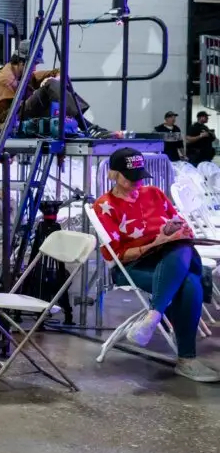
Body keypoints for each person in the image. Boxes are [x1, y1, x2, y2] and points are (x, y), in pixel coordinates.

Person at [93, 148, 218, 382]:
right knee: (189, 281)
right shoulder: (104, 206)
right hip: (133, 266)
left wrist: (173, 231)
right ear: (113, 175)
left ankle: (154, 315)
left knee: (181, 248)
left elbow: (183, 225)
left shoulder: (155, 194)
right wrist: (154, 244)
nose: (137, 184)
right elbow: (115, 257)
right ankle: (186, 359)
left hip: (170, 258)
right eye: (130, 179)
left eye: (140, 177)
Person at [0, 40, 60, 131]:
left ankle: (75, 117)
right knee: (48, 87)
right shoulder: (4, 80)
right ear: (21, 62)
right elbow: (3, 116)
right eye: (33, 64)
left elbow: (59, 72)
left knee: (53, 82)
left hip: (20, 115)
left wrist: (54, 78)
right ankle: (78, 118)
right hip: (7, 121)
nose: (35, 68)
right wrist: (35, 98)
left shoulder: (23, 75)